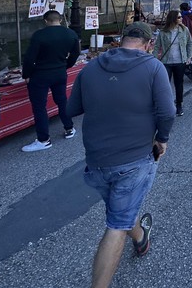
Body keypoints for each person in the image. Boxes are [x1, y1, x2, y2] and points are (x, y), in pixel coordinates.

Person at [67, 22, 175, 288]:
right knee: (117, 223)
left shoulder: (91, 67)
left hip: (96, 159)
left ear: (122, 40)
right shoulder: (152, 67)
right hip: (133, 158)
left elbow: (72, 108)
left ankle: (140, 238)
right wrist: (162, 139)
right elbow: (168, 112)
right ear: (149, 45)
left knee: (121, 209)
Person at [21, 10, 80, 152]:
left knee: (39, 107)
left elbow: (30, 58)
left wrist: (26, 74)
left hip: (41, 74)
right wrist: (66, 65)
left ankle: (44, 140)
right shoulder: (71, 34)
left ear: (46, 21)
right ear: (59, 20)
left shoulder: (39, 35)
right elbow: (76, 53)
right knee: (62, 101)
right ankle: (69, 128)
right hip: (60, 72)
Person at [153, 10, 192, 116]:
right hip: (166, 62)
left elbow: (190, 43)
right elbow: (157, 46)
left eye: (181, 17)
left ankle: (179, 105)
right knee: (165, 85)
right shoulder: (163, 32)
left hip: (180, 61)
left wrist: (189, 56)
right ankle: (167, 105)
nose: (181, 19)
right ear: (173, 19)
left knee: (179, 84)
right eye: (179, 17)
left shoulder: (184, 30)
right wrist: (154, 59)